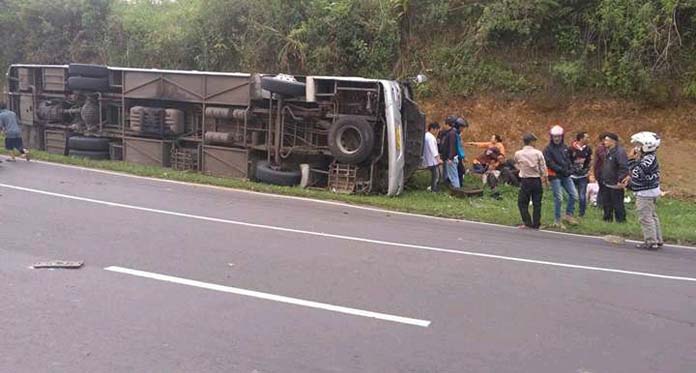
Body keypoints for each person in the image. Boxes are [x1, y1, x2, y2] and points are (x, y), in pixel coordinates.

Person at [624, 131, 663, 249]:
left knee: (645, 217)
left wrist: (631, 159)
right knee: (652, 215)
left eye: (639, 145)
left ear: (647, 145)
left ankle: (651, 241)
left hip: (646, 192)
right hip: (651, 190)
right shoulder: (649, 157)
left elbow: (637, 173)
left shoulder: (648, 159)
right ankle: (657, 239)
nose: (637, 147)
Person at [543, 125, 578, 228]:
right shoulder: (547, 149)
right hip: (555, 176)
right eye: (554, 136)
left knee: (574, 195)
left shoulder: (565, 148)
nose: (557, 138)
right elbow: (549, 163)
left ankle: (568, 215)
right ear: (551, 137)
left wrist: (571, 169)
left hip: (565, 175)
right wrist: (561, 170)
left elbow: (569, 160)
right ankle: (557, 220)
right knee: (559, 198)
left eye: (558, 136)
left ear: (562, 136)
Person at [514, 133, 548, 229]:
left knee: (522, 202)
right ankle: (536, 223)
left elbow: (516, 164)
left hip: (525, 180)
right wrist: (545, 179)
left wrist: (522, 169)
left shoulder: (518, 153)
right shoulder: (538, 153)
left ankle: (527, 222)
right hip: (536, 180)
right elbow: (543, 167)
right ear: (531, 142)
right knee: (537, 203)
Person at [600, 132, 629, 222]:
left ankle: (621, 221)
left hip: (616, 183)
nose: (604, 142)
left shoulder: (620, 152)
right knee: (607, 203)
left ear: (613, 141)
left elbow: (623, 166)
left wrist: (620, 180)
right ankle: (607, 219)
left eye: (606, 140)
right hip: (607, 182)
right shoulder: (608, 151)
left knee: (618, 204)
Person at [570, 131, 592, 217]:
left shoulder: (588, 149)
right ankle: (570, 212)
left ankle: (581, 214)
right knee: (571, 195)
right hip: (571, 175)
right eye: (587, 137)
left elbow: (588, 160)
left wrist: (586, 169)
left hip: (583, 176)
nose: (588, 139)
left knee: (582, 196)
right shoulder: (571, 148)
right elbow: (567, 160)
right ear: (581, 138)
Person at [439, 118, 460, 189]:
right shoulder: (450, 133)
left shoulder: (451, 134)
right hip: (449, 157)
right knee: (451, 174)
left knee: (453, 175)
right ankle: (454, 188)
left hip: (451, 158)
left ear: (447, 124)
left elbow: (452, 146)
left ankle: (456, 189)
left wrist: (450, 157)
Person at [423, 122, 442, 192]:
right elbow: (433, 149)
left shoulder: (426, 136)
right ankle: (434, 190)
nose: (437, 131)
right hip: (432, 161)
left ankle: (433, 188)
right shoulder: (430, 138)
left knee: (436, 175)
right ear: (432, 129)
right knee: (437, 176)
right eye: (436, 129)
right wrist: (438, 159)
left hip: (429, 159)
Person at [593, 133, 609, 209]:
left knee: (603, 189)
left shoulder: (605, 148)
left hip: (603, 172)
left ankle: (601, 204)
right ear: (602, 140)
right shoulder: (601, 148)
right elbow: (605, 158)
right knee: (603, 188)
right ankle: (601, 205)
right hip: (601, 172)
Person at [454, 117, 469, 186]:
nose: (463, 129)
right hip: (456, 156)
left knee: (459, 170)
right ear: (459, 126)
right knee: (461, 170)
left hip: (455, 156)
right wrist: (463, 156)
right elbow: (458, 147)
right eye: (462, 127)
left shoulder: (456, 134)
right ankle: (459, 185)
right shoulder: (456, 135)